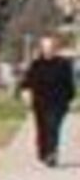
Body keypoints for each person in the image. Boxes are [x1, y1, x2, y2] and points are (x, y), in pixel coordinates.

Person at [19, 33, 74, 166]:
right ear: (42, 48)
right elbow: (27, 82)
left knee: (53, 128)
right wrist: (26, 93)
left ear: (56, 48)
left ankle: (52, 153)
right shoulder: (36, 64)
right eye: (45, 46)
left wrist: (69, 99)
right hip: (40, 102)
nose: (48, 49)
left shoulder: (64, 64)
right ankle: (43, 151)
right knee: (42, 129)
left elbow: (69, 84)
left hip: (58, 103)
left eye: (51, 46)